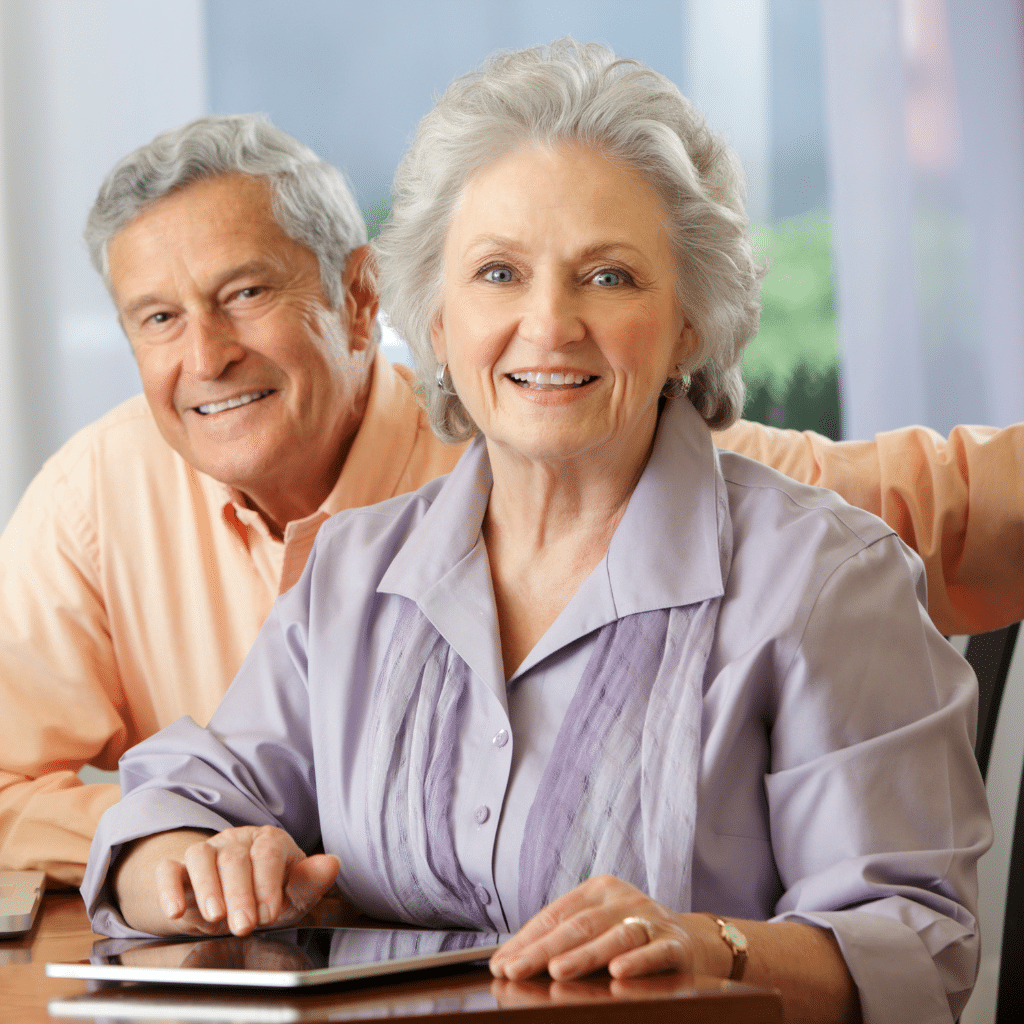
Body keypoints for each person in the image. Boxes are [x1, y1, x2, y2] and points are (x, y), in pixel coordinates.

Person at [83, 42, 990, 1024]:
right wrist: (189, 865)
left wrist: (713, 947)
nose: (549, 324)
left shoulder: (825, 581)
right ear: (433, 316)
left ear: (689, 320)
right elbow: (175, 801)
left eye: (607, 277)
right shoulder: (354, 570)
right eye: (499, 273)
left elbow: (913, 948)